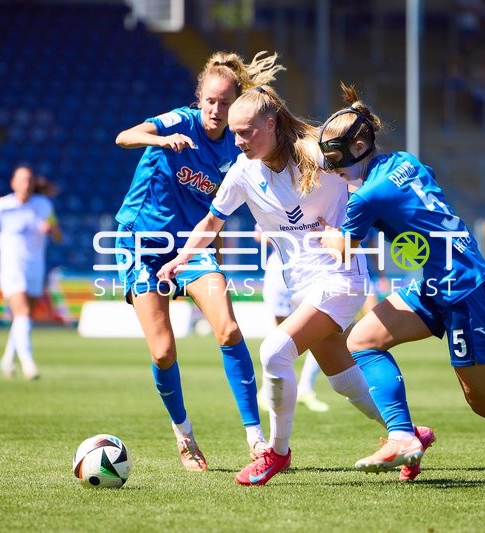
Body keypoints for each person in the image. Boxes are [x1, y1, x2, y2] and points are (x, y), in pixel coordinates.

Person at [159, 84, 435, 485]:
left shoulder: (316, 153)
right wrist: (182, 257)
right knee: (343, 380)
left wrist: (362, 225)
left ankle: (276, 453)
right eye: (234, 133)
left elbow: (365, 177)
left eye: (246, 132)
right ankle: (407, 434)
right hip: (303, 285)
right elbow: (211, 223)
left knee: (274, 352)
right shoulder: (242, 172)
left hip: (341, 277)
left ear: (271, 124)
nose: (237, 141)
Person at [317, 83, 485, 488]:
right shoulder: (405, 161)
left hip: (467, 291)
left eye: (335, 159)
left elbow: (344, 249)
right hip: (434, 282)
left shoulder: (366, 197)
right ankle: (404, 436)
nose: (332, 168)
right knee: (363, 340)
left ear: (359, 146)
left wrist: (321, 233)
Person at [112, 51, 283, 473]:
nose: (216, 109)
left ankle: (255, 439)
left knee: (227, 328)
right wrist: (159, 140)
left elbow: (217, 211)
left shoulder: (235, 147)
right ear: (199, 98)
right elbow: (124, 136)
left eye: (225, 102)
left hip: (191, 247)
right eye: (210, 100)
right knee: (165, 352)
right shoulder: (180, 122)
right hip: (142, 244)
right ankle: (184, 436)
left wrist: (217, 264)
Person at [0, 165, 62, 381]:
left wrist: (50, 229)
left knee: (23, 317)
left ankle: (7, 359)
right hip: (12, 268)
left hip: (35, 268)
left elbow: (58, 236)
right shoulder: (3, 205)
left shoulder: (43, 205)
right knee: (22, 311)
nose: (25, 184)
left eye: (29, 180)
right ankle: (28, 364)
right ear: (13, 183)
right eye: (21, 180)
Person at [257, 236, 330, 413]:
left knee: (322, 333)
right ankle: (267, 391)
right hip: (282, 271)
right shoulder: (272, 207)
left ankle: (306, 387)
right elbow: (259, 235)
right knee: (280, 335)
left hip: (316, 270)